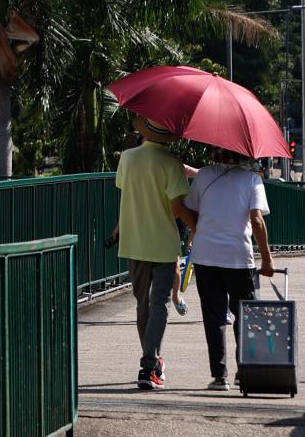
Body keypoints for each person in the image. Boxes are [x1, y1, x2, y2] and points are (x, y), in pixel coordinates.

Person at [116, 112, 199, 390]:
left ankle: (150, 359)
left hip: (133, 240)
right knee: (159, 302)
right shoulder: (171, 163)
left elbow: (125, 191)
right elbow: (177, 207)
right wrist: (197, 227)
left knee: (142, 303)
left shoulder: (127, 158)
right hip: (163, 242)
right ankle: (149, 365)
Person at [185, 148, 276, 390]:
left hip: (206, 257)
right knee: (246, 316)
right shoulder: (252, 179)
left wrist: (200, 231)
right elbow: (256, 219)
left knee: (214, 318)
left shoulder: (204, 175)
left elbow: (190, 209)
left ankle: (219, 376)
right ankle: (244, 371)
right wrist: (267, 259)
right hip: (238, 259)